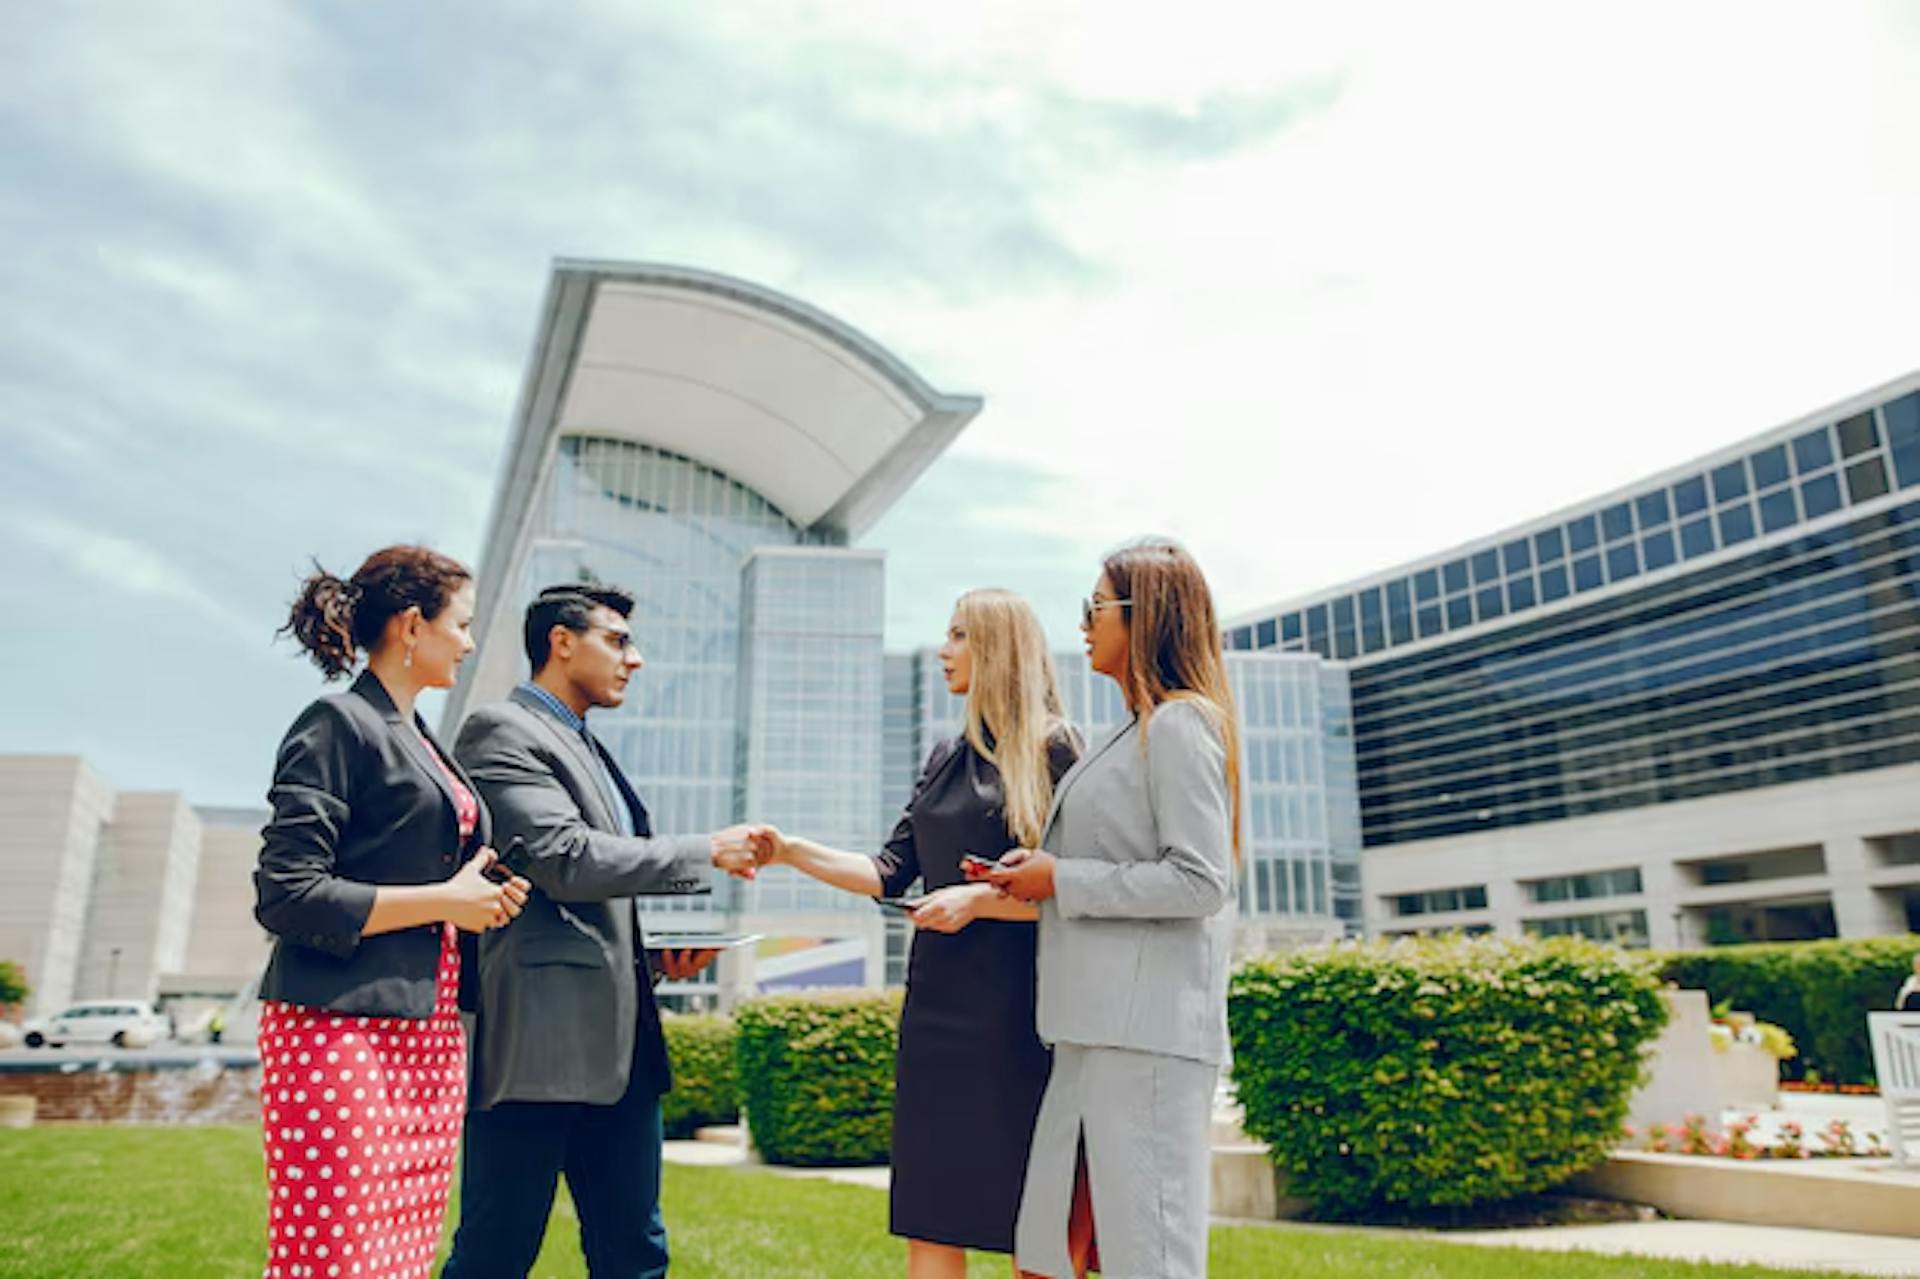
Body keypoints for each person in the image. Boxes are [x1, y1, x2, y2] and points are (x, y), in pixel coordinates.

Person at [751, 589, 1080, 1279]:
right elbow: (888, 870)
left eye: (959, 634)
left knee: (1035, 1218)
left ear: (997, 649)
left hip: (1024, 1018)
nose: (943, 649)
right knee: (931, 1210)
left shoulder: (1057, 750)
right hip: (936, 1014)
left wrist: (979, 902)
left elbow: (1078, 896)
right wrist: (791, 849)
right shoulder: (945, 755)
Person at [440, 583, 762, 1279]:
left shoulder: (587, 746)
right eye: (617, 640)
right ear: (561, 641)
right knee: (497, 1250)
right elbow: (564, 859)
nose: (635, 660)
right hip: (539, 1048)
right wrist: (705, 849)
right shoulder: (502, 731)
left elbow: (594, 892)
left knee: (635, 1251)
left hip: (624, 1047)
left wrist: (653, 955)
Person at [254, 545, 531, 1279]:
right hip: (338, 1032)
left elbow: (431, 870)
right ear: (413, 624)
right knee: (337, 1259)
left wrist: (480, 896)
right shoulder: (336, 722)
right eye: (462, 624)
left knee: (403, 1260)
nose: (469, 642)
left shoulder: (425, 740)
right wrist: (447, 900)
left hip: (430, 1038)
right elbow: (287, 892)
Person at [979, 538, 1241, 1279]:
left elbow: (1199, 880)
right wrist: (1036, 876)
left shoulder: (1182, 724)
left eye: (1096, 607)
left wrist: (1061, 878)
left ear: (1147, 614)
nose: (1085, 624)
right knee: (1050, 1254)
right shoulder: (1130, 732)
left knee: (1149, 1257)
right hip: (1090, 1033)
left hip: (1145, 1038)